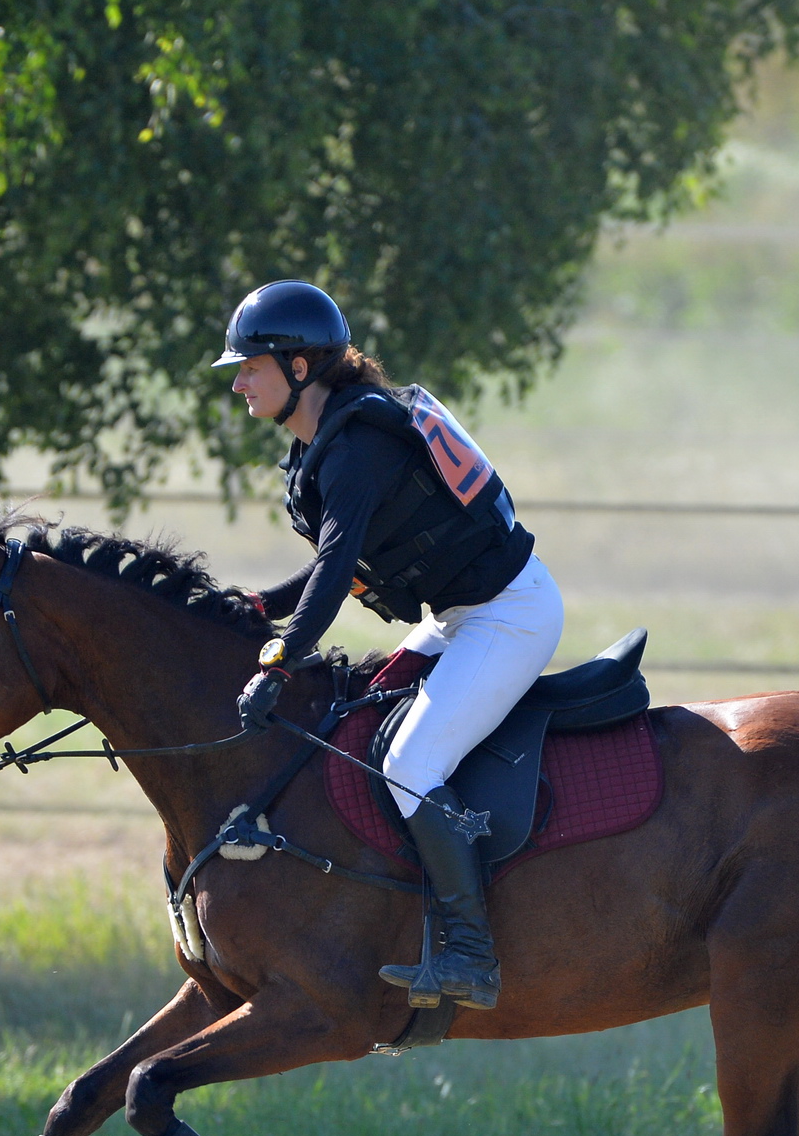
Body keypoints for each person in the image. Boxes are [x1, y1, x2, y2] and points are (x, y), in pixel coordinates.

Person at [214, 279, 563, 1011]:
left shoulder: (356, 449)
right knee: (364, 725)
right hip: (461, 615)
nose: (239, 381)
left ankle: (471, 955)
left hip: (508, 615)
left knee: (410, 762)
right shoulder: (333, 439)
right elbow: (333, 563)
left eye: (251, 365)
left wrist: (280, 659)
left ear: (300, 367)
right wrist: (253, 608)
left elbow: (339, 567)